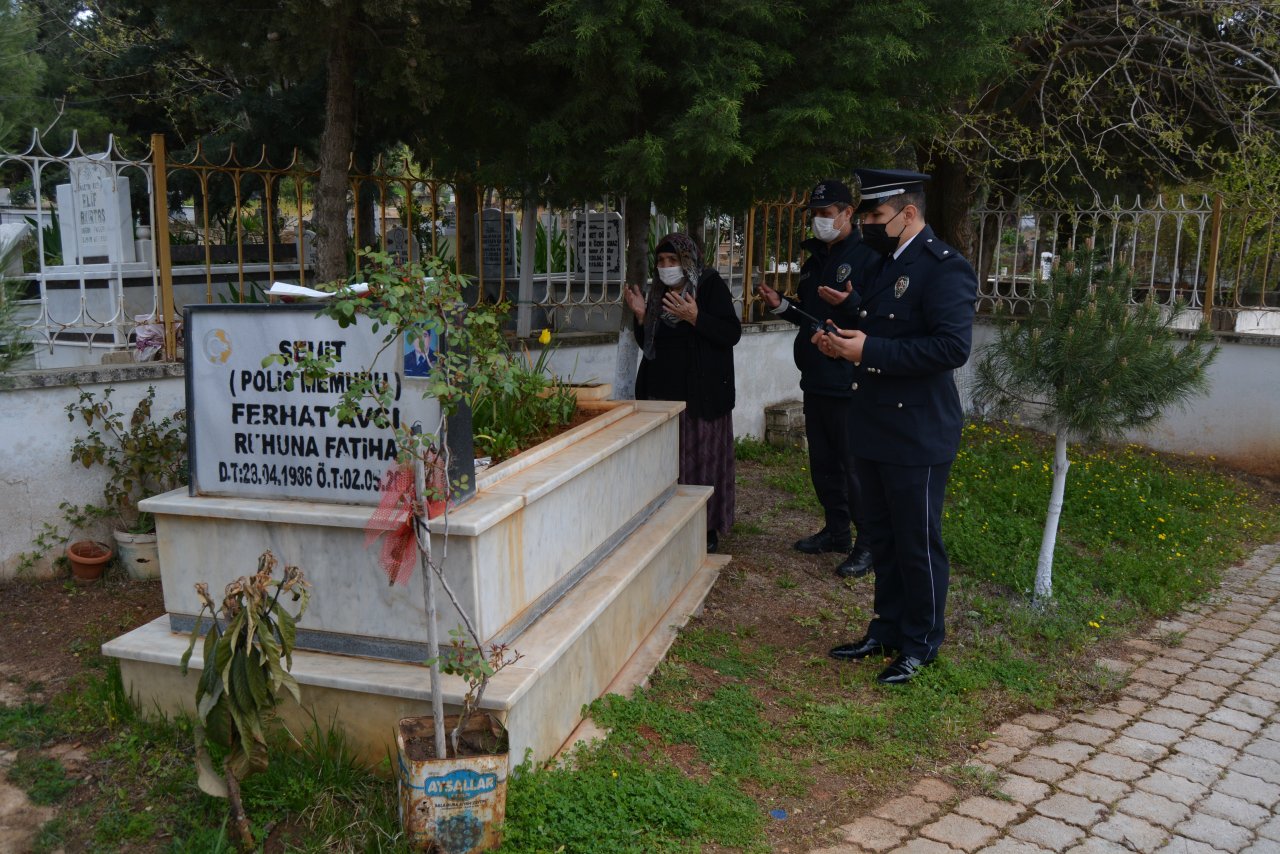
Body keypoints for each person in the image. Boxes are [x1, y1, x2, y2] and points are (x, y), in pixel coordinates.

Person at [814, 168, 977, 684]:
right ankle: (886, 627)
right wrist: (844, 336)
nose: (869, 225)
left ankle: (921, 642)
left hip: (917, 432)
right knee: (882, 535)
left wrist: (870, 350)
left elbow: (952, 347)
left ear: (909, 215)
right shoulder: (890, 264)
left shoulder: (944, 268)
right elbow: (884, 327)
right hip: (875, 423)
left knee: (916, 541)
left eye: (877, 216)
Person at [757, 180, 878, 578]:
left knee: (853, 466)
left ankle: (868, 544)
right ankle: (836, 531)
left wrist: (854, 304)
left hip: (849, 380)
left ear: (848, 214)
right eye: (816, 214)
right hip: (816, 377)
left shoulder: (867, 257)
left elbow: (878, 317)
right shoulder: (815, 259)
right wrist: (781, 306)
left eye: (828, 214)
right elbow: (810, 315)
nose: (820, 221)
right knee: (823, 463)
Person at [624, 232, 742, 553]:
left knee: (701, 464)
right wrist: (640, 316)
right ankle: (670, 522)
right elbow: (651, 346)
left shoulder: (708, 285)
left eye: (673, 260)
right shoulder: (660, 292)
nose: (666, 267)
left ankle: (706, 528)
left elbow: (731, 332)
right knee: (670, 464)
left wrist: (695, 317)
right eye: (661, 261)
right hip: (665, 397)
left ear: (687, 260)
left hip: (701, 397)